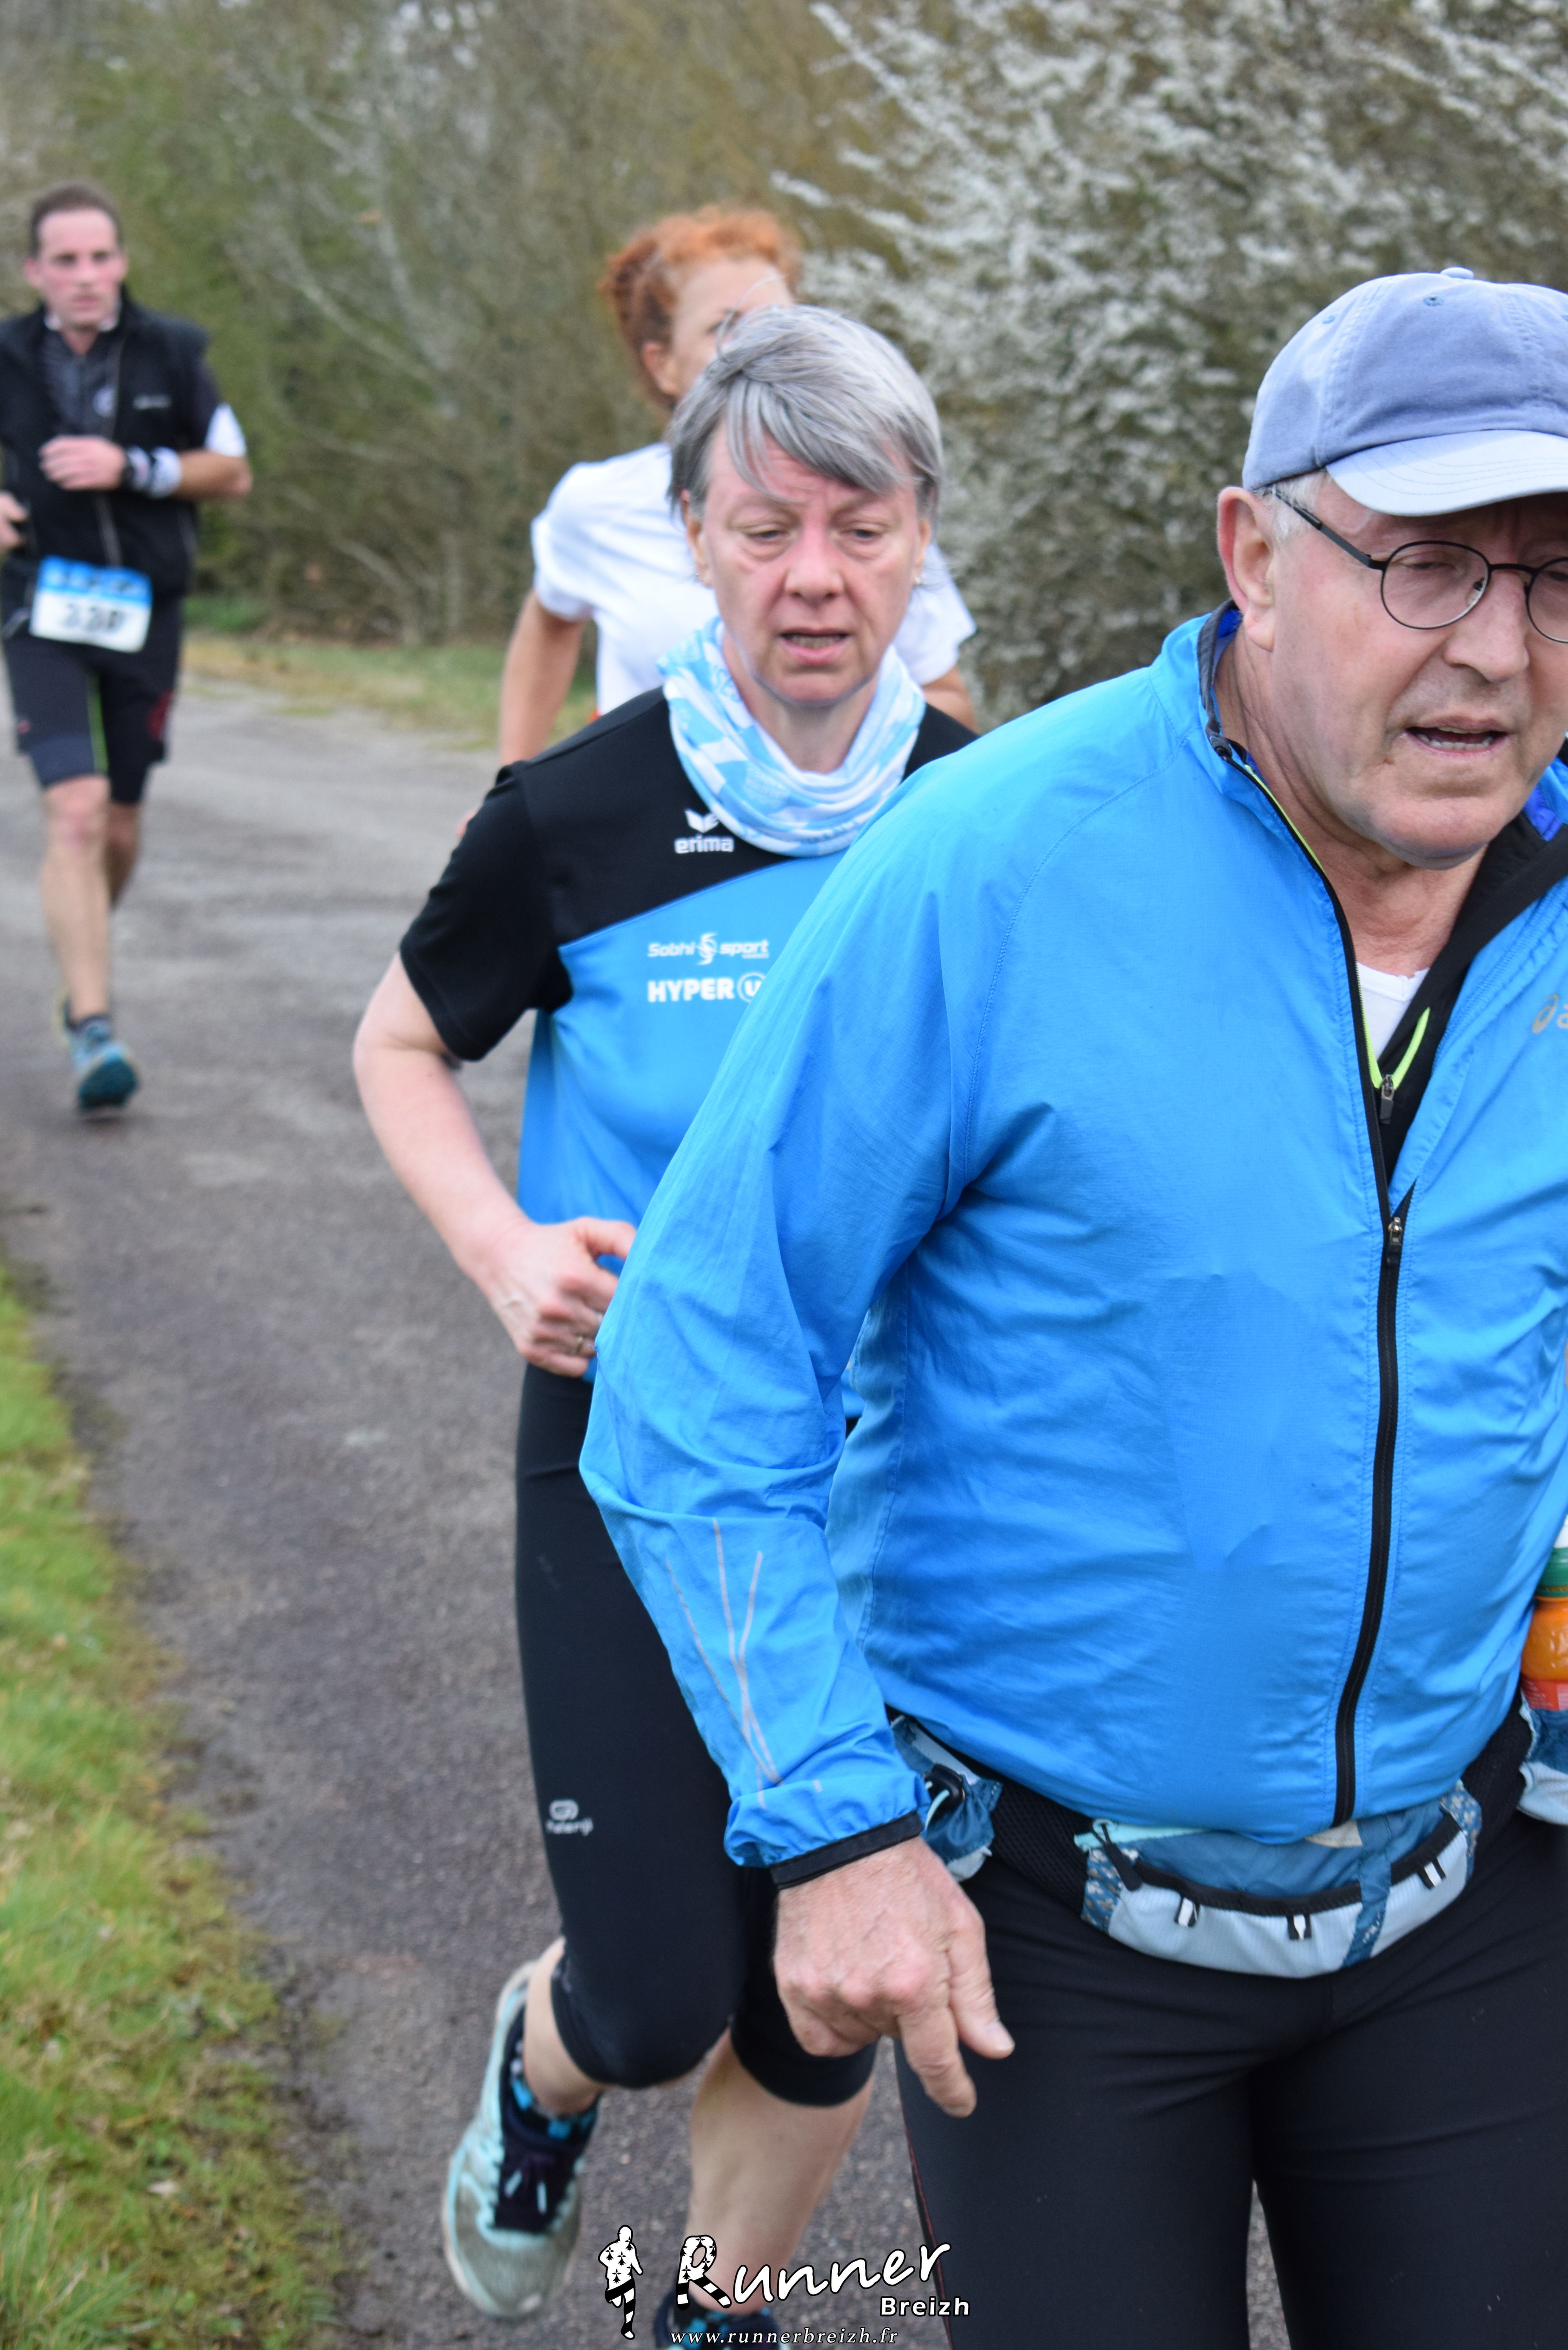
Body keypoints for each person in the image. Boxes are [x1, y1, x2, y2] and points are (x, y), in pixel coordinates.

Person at [581, 266, 1568, 2350]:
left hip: (1474, 1888)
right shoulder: (991, 864)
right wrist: (833, 1822)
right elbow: (699, 1362)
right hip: (1051, 1929)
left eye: (1559, 577)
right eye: (1424, 564)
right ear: (1253, 554)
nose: (1498, 646)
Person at [354, 305, 974, 2342]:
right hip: (626, 1443)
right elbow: (398, 1040)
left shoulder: (988, 822)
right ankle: (541, 2073)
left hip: (895, 1476)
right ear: (690, 536)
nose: (814, 576)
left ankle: (715, 2308)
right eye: (763, 526)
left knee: (828, 1971)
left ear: (921, 539)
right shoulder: (576, 810)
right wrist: (499, 1247)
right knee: (651, 1993)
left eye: (859, 526)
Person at [498, 204, 977, 760]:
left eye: (781, 324)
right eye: (726, 327)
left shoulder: (866, 501)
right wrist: (513, 777)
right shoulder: (597, 506)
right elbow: (550, 621)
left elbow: (946, 699)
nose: (762, 348)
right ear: (663, 364)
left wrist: (832, 764)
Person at [0, 179, 251, 1110]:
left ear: (122, 263)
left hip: (144, 610)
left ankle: (83, 956)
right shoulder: (5, 355)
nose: (86, 275)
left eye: (100, 257)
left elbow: (232, 470)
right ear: (35, 271)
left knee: (117, 823)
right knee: (74, 808)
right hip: (39, 609)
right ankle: (94, 1024)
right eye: (65, 260)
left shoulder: (174, 352)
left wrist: (134, 467)